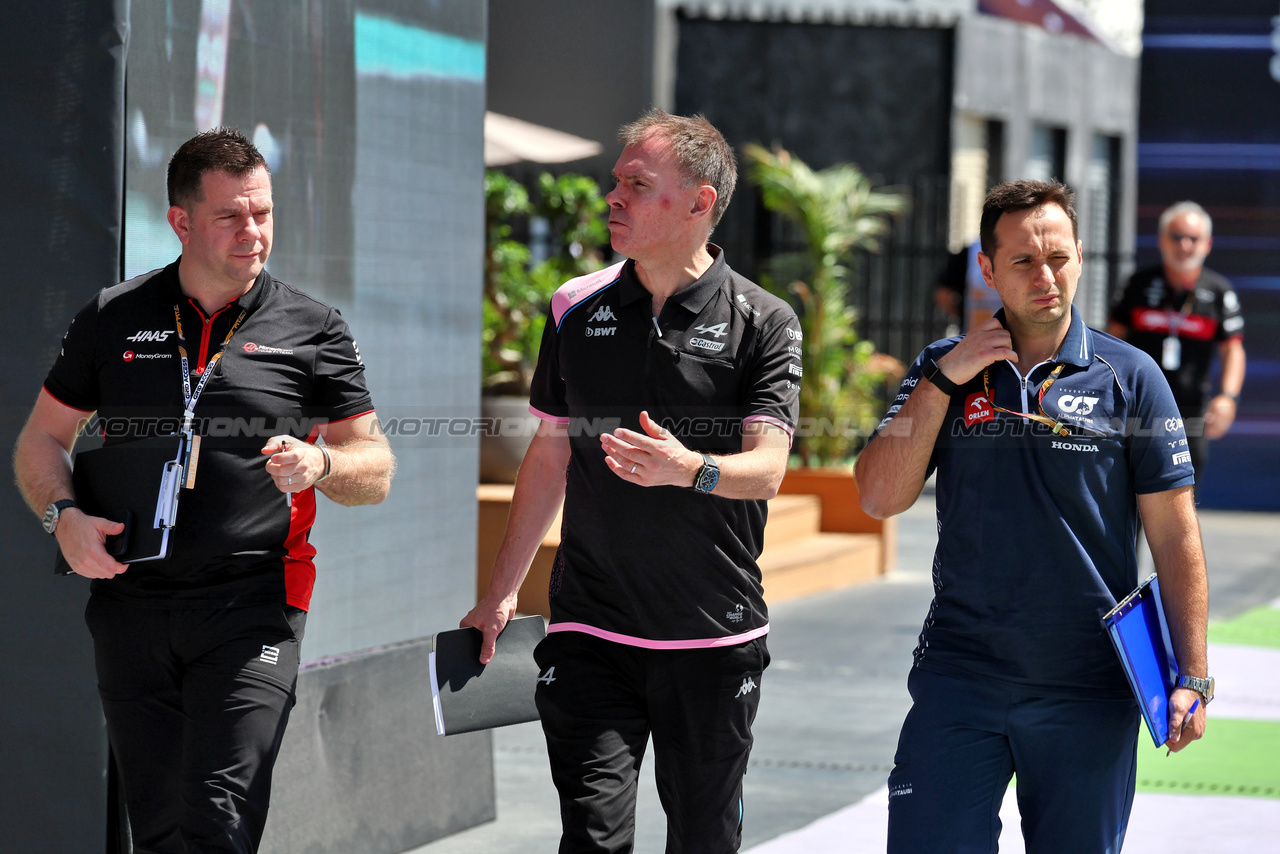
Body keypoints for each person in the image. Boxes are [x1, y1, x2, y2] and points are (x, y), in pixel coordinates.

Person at [14, 128, 395, 853]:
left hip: (255, 605)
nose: (254, 232)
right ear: (181, 222)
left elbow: (372, 466)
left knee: (220, 820)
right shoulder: (113, 317)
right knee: (157, 831)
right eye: (231, 215)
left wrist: (323, 467)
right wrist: (62, 517)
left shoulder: (313, 327)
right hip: (132, 602)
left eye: (264, 212)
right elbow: (40, 440)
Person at [461, 109, 800, 853]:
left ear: (699, 202)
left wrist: (692, 470)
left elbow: (769, 468)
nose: (611, 196)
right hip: (591, 627)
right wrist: (500, 593)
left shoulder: (765, 321)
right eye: (615, 180)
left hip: (713, 636)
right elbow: (549, 456)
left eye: (636, 184)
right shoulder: (574, 306)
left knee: (704, 839)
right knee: (591, 837)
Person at [855, 180, 1211, 853]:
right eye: (1022, 260)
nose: (1045, 276)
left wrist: (1192, 674)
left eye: (1058, 257)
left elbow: (1176, 536)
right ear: (986, 269)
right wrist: (943, 378)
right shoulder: (942, 369)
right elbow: (878, 497)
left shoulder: (1130, 377)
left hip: (1090, 686)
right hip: (961, 679)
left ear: (1080, 255)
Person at [1108, 200, 1246, 483]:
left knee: (1181, 497)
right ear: (1161, 240)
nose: (1184, 246)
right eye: (1176, 237)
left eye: (1193, 239)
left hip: (1190, 413)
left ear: (1207, 244)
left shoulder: (1219, 291)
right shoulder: (1137, 283)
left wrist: (1228, 398)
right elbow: (1113, 340)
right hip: (1137, 406)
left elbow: (1233, 348)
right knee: (1126, 498)